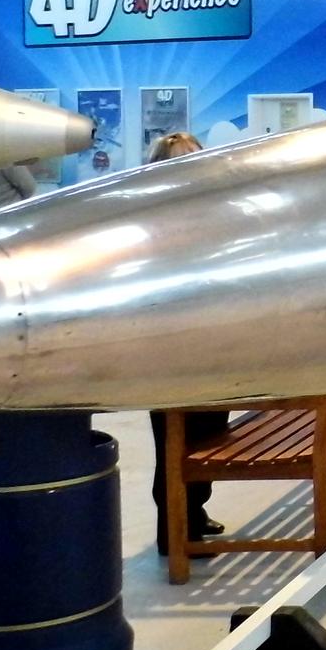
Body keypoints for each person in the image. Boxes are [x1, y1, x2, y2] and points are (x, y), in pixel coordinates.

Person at [144, 132, 228, 554]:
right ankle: (174, 531)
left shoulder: (208, 213)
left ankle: (194, 512)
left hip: (213, 342)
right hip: (170, 352)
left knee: (211, 432)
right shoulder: (152, 217)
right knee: (175, 441)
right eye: (180, 160)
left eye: (195, 159)